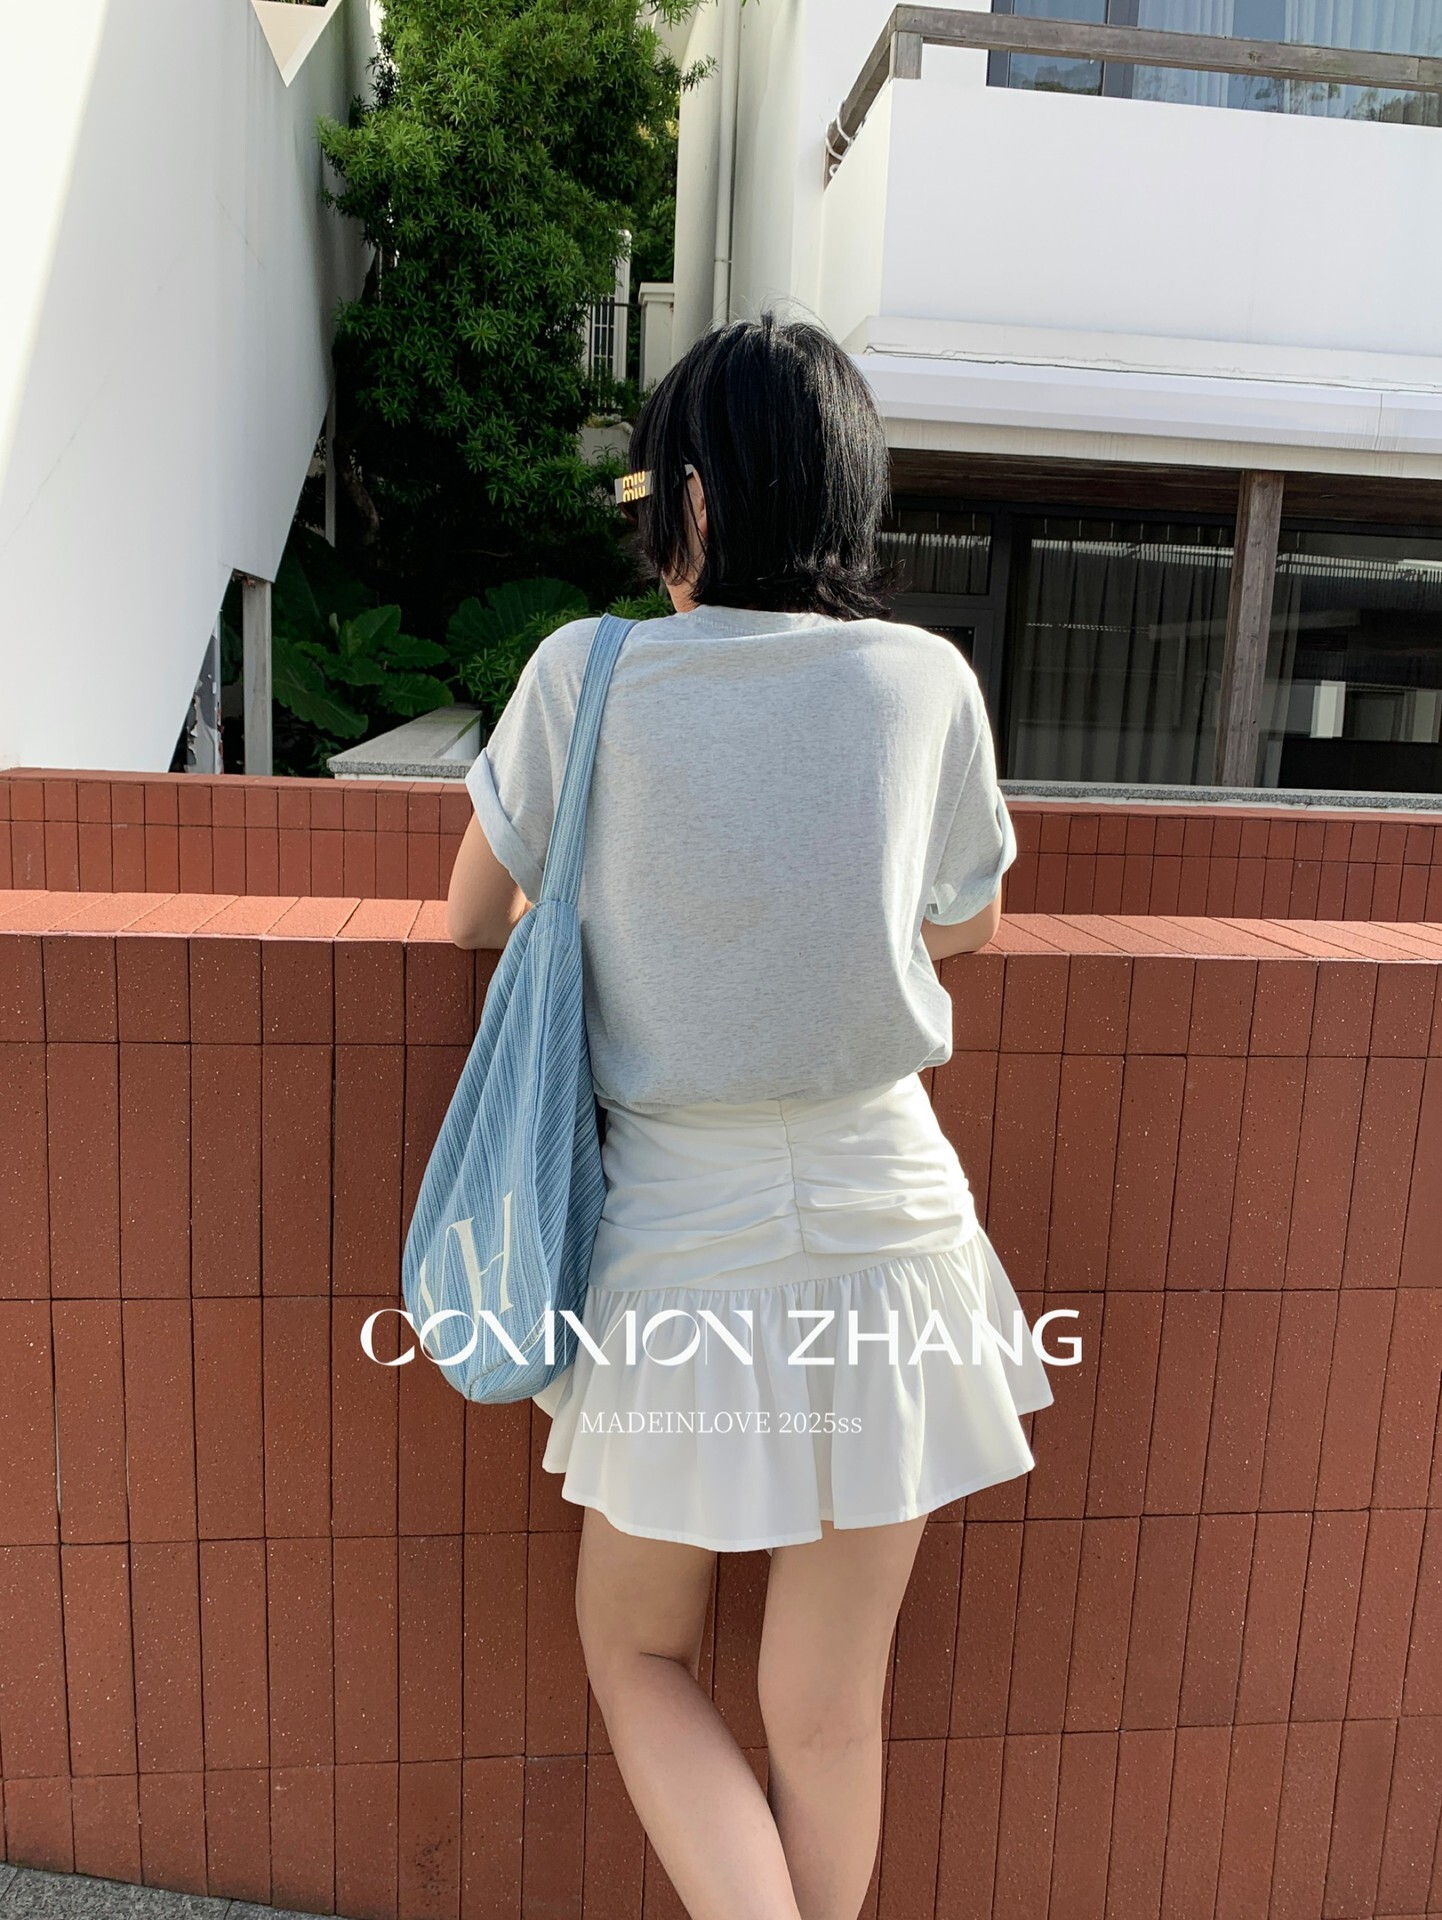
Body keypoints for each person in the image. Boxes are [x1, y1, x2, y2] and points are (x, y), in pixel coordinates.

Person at [446, 312, 1054, 1920]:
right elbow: (967, 920)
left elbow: (470, 914)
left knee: (637, 1648)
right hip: (895, 1229)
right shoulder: (924, 678)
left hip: (682, 1243)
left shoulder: (586, 671)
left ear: (697, 498)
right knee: (828, 1706)